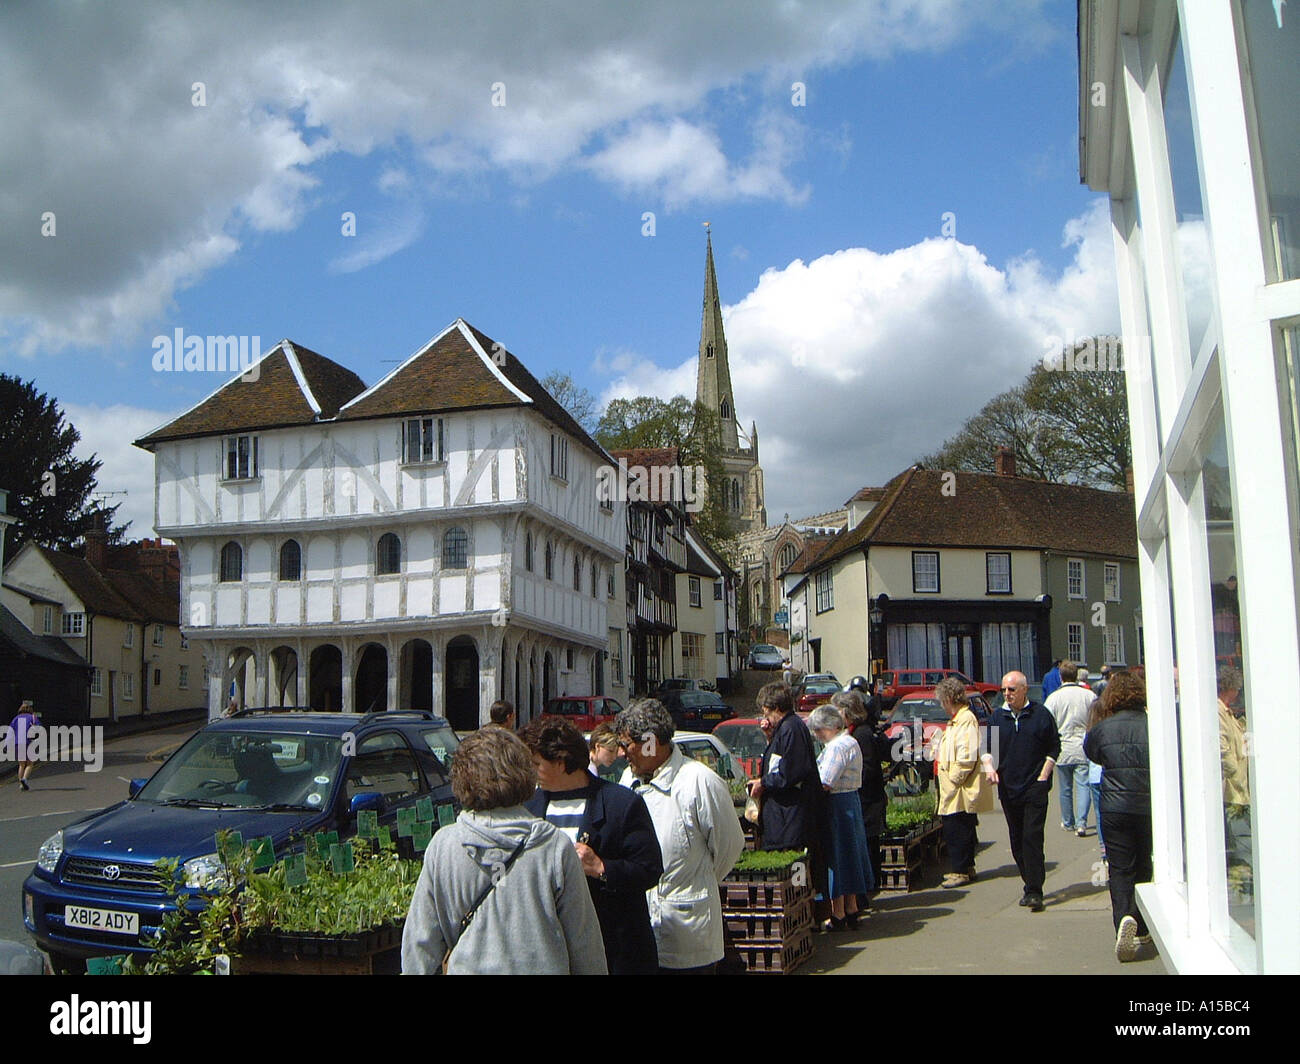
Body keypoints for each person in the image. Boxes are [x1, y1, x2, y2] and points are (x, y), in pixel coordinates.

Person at [401, 727, 607, 975]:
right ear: (524, 773)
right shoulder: (553, 846)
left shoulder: (444, 846)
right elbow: (584, 944)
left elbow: (420, 944)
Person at [519, 717, 663, 974]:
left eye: (536, 764)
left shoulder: (621, 804)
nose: (530, 771)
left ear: (561, 762)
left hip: (614, 950)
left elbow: (650, 869)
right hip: (547, 953)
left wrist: (601, 867)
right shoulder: (527, 809)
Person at [614, 700, 744, 974]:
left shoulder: (698, 781)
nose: (621, 753)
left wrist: (697, 882)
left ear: (651, 742)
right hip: (640, 933)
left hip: (689, 938)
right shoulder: (628, 780)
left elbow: (729, 847)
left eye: (627, 745)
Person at [1083, 671, 1152, 962]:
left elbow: (1092, 753)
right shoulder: (1153, 725)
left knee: (1120, 868)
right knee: (1145, 863)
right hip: (1148, 804)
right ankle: (1143, 921)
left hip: (1114, 807)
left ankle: (1123, 919)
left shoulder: (1103, 728)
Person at [982, 671, 1060, 912]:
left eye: (1012, 689)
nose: (1007, 694)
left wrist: (1043, 775)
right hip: (1008, 787)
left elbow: (1054, 748)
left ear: (1024, 689)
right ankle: (1029, 883)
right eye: (1004, 689)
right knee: (1017, 840)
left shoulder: (1040, 715)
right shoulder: (997, 717)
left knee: (1032, 838)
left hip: (1035, 787)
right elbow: (987, 749)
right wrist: (989, 769)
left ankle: (1035, 891)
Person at [807, 705, 874, 930]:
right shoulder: (850, 742)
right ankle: (852, 907)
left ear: (831, 727)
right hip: (850, 801)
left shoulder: (836, 747)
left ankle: (838, 913)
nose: (817, 734)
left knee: (837, 857)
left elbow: (826, 781)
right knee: (851, 855)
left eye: (819, 730)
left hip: (837, 804)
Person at [935, 678, 993, 887]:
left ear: (949, 699)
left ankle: (960, 871)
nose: (942, 705)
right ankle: (966, 867)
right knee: (962, 827)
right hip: (957, 786)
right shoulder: (959, 719)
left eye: (942, 701)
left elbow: (967, 752)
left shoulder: (966, 719)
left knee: (956, 829)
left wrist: (954, 777)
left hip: (959, 787)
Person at [748, 681, 819, 850]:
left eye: (766, 710)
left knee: (793, 867)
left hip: (789, 818)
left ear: (776, 707)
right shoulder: (785, 728)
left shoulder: (791, 728)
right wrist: (770, 736)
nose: (765, 716)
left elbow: (790, 773)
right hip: (785, 817)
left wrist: (763, 783)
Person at [837, 690, 888, 895]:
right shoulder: (855, 732)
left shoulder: (862, 734)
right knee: (867, 844)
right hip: (866, 798)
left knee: (868, 844)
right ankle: (870, 885)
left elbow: (868, 768)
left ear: (847, 712)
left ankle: (871, 886)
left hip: (868, 799)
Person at [1044, 661, 1097, 835]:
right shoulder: (1089, 696)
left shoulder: (1054, 698)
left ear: (1061, 676)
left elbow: (1046, 723)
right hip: (1083, 745)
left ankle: (1068, 821)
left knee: (1065, 788)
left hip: (1062, 747)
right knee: (1083, 785)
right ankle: (1081, 822)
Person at [10, 702, 41, 791]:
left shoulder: (15, 719)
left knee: (21, 764)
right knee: (30, 764)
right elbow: (40, 727)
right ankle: (24, 779)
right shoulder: (32, 717)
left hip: (18, 743)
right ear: (30, 709)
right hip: (28, 742)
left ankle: (21, 784)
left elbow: (10, 731)